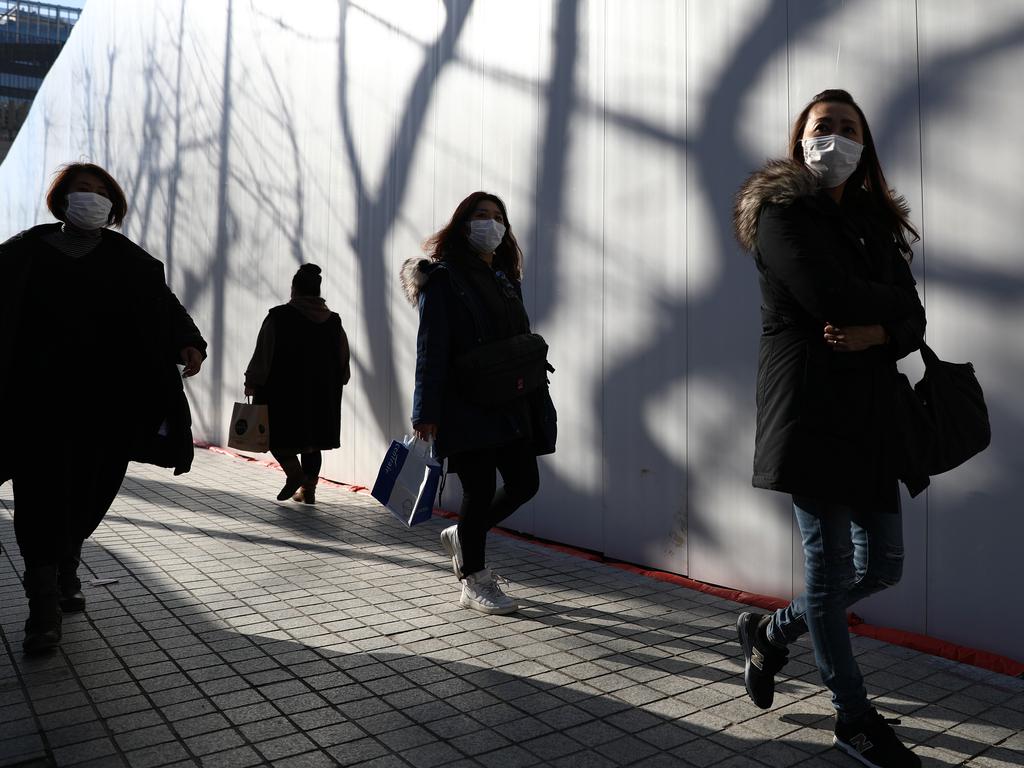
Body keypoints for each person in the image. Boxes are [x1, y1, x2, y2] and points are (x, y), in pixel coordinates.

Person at [732, 89, 926, 768]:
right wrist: (887, 315)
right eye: (823, 127)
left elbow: (914, 319)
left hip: (871, 417)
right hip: (810, 412)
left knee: (886, 565)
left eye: (848, 129)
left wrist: (881, 328)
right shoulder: (783, 212)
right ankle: (853, 716)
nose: (835, 138)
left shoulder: (873, 223)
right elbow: (829, 297)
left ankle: (769, 632)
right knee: (831, 565)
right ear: (800, 139)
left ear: (865, 145)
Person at [0, 162, 207, 654]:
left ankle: (68, 559)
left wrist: (188, 341)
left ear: (113, 205)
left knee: (91, 491)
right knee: (39, 498)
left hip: (108, 404)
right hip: (37, 401)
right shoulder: (24, 252)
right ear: (62, 199)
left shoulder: (130, 260)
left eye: (100, 192)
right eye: (81, 190)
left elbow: (165, 306)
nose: (90, 198)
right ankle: (43, 605)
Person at [400, 192, 545, 615]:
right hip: (465, 403)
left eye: (498, 217)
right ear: (462, 223)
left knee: (525, 483)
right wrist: (425, 412)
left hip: (511, 400)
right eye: (481, 216)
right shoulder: (443, 278)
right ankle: (474, 579)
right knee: (479, 490)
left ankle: (465, 535)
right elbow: (431, 348)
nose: (491, 224)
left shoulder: (504, 277)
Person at [244, 264, 351, 503]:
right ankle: (309, 490)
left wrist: (252, 380)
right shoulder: (334, 321)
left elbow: (264, 352)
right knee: (313, 443)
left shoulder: (278, 317)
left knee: (274, 436)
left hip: (284, 394)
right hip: (322, 394)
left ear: (294, 289)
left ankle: (294, 475)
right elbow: (343, 359)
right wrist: (340, 380)